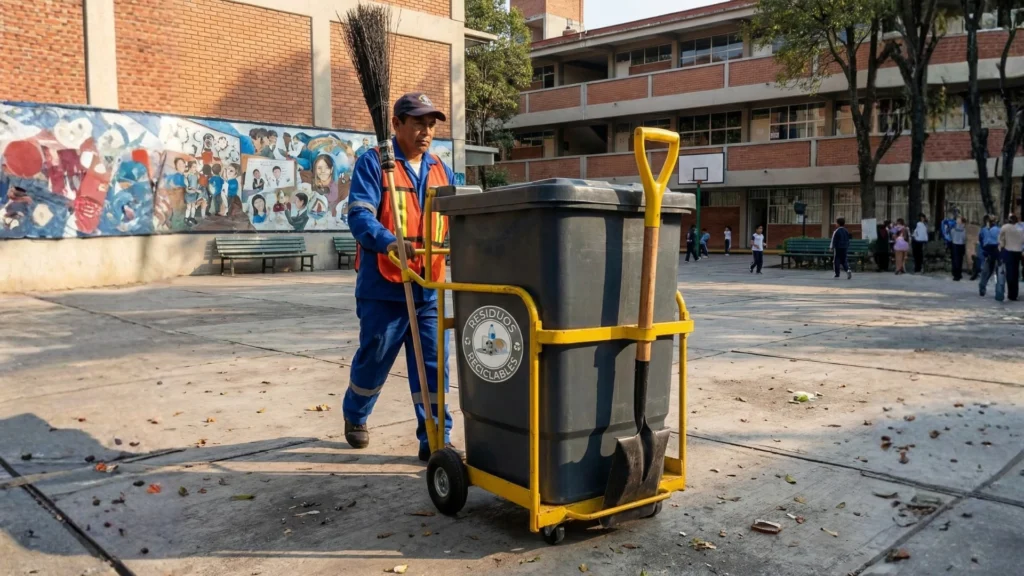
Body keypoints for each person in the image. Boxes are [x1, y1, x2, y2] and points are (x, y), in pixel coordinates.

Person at [343, 92, 455, 463]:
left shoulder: (441, 169)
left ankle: (435, 436)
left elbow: (458, 217)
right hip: (384, 285)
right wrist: (390, 242)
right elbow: (359, 215)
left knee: (433, 364)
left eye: (431, 124)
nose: (426, 131)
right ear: (396, 124)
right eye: (418, 123)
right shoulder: (374, 164)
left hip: (429, 286)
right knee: (375, 357)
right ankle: (356, 414)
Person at [998, 214, 1023, 301]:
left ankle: (1010, 293)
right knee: (1016, 272)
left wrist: (1001, 248)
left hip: (1008, 251)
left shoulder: (1005, 227)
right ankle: (1014, 294)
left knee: (1009, 272)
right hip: (1018, 252)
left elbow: (1000, 239)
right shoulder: (1021, 228)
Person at [978, 215, 1002, 297]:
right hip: (998, 251)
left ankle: (982, 286)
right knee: (999, 271)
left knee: (986, 271)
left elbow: (981, 240)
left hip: (988, 251)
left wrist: (983, 250)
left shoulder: (983, 230)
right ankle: (999, 290)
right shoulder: (999, 229)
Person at [950, 215, 967, 281]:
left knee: (955, 260)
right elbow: (964, 237)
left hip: (955, 244)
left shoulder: (954, 228)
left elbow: (951, 234)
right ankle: (959, 273)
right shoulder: (964, 229)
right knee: (960, 260)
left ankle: (956, 275)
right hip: (961, 244)